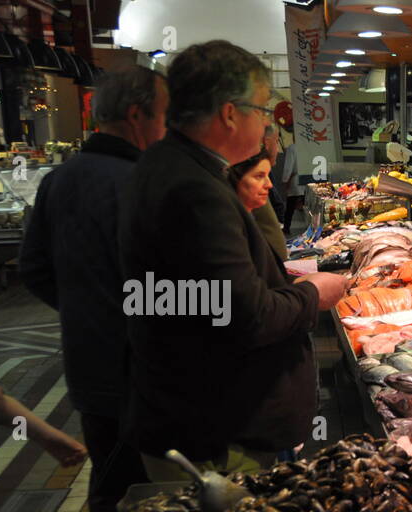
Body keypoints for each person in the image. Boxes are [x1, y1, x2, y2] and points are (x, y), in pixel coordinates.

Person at [118, 40, 347, 482]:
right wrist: (311, 294)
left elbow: (206, 300)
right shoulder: (194, 190)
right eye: (261, 110)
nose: (265, 125)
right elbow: (246, 316)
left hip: (196, 418)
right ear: (228, 113)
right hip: (214, 439)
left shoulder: (173, 168)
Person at [18, 65, 168, 512]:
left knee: (108, 489)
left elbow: (32, 267)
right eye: (165, 117)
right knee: (161, 491)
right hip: (148, 370)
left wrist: (87, 311)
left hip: (90, 370)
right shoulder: (144, 185)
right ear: (136, 116)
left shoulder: (59, 180)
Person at [232, 149, 286, 261]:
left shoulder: (247, 218)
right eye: (259, 176)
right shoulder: (230, 227)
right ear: (235, 179)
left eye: (267, 176)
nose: (269, 185)